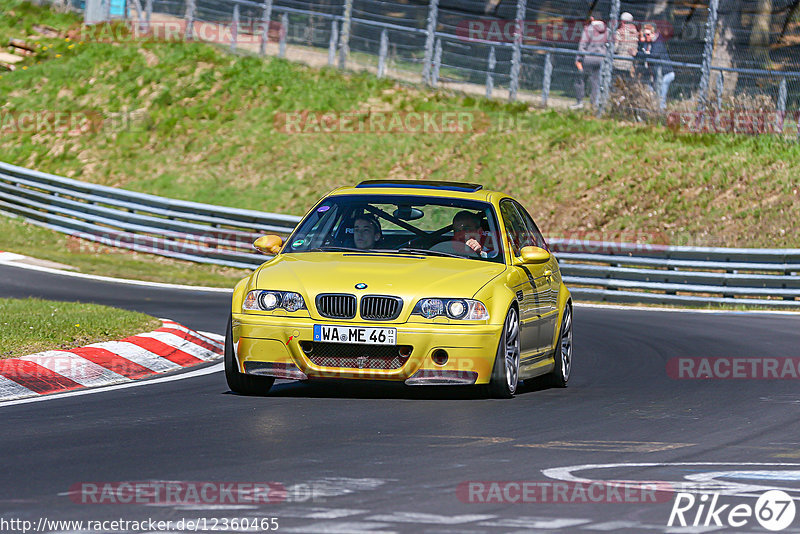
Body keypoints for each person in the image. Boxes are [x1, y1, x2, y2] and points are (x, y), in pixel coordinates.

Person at [572, 17, 609, 110]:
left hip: (588, 58)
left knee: (580, 79)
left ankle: (579, 101)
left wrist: (579, 59)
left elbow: (582, 45)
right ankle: (594, 103)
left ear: (592, 18)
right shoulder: (607, 30)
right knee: (596, 82)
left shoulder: (589, 29)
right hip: (601, 59)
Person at [637, 23, 674, 109]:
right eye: (645, 34)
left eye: (648, 34)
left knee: (660, 94)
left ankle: (661, 111)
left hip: (666, 73)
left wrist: (638, 54)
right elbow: (643, 52)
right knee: (650, 89)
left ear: (653, 34)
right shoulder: (648, 43)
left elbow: (654, 55)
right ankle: (651, 108)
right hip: (655, 73)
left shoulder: (658, 42)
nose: (646, 36)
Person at [613, 12, 639, 81]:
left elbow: (615, 48)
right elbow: (635, 49)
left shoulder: (619, 32)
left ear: (623, 21)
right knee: (625, 83)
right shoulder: (635, 33)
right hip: (629, 64)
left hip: (618, 63)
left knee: (616, 83)